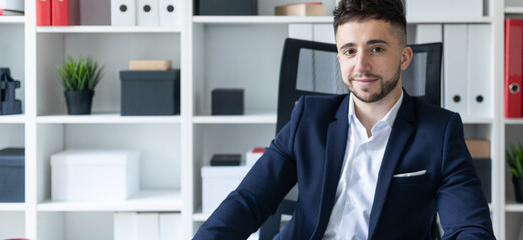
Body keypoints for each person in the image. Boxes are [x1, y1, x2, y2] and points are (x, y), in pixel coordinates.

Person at [194, 0, 495, 239]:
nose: (361, 65)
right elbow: (248, 201)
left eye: (376, 49)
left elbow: (470, 229)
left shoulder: (440, 132)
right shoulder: (308, 119)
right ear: (339, 58)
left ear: (404, 57)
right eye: (350, 51)